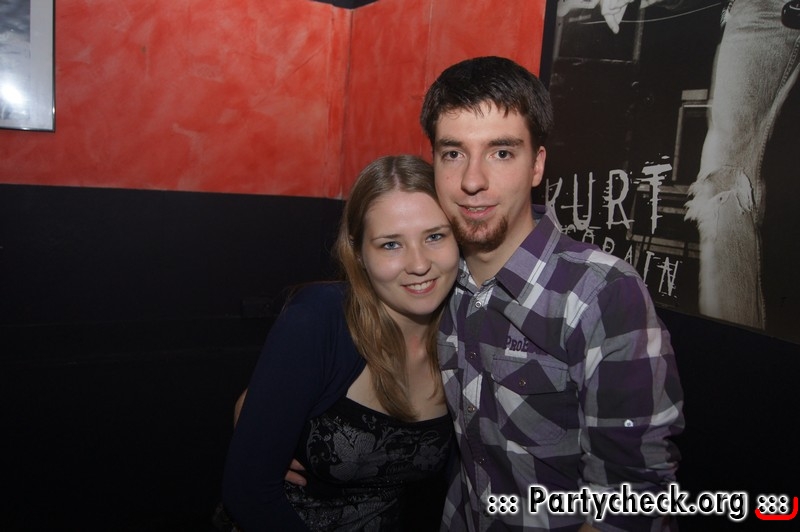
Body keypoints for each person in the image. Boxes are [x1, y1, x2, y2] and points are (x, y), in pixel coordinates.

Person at [419, 56, 685, 531]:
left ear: (537, 165)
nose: (473, 180)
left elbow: (630, 502)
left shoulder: (601, 294)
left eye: (502, 153)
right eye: (453, 153)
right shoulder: (436, 281)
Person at [220, 154, 459, 531]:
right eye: (390, 244)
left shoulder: (470, 333)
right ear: (358, 252)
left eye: (434, 236)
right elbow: (249, 492)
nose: (418, 264)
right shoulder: (320, 319)